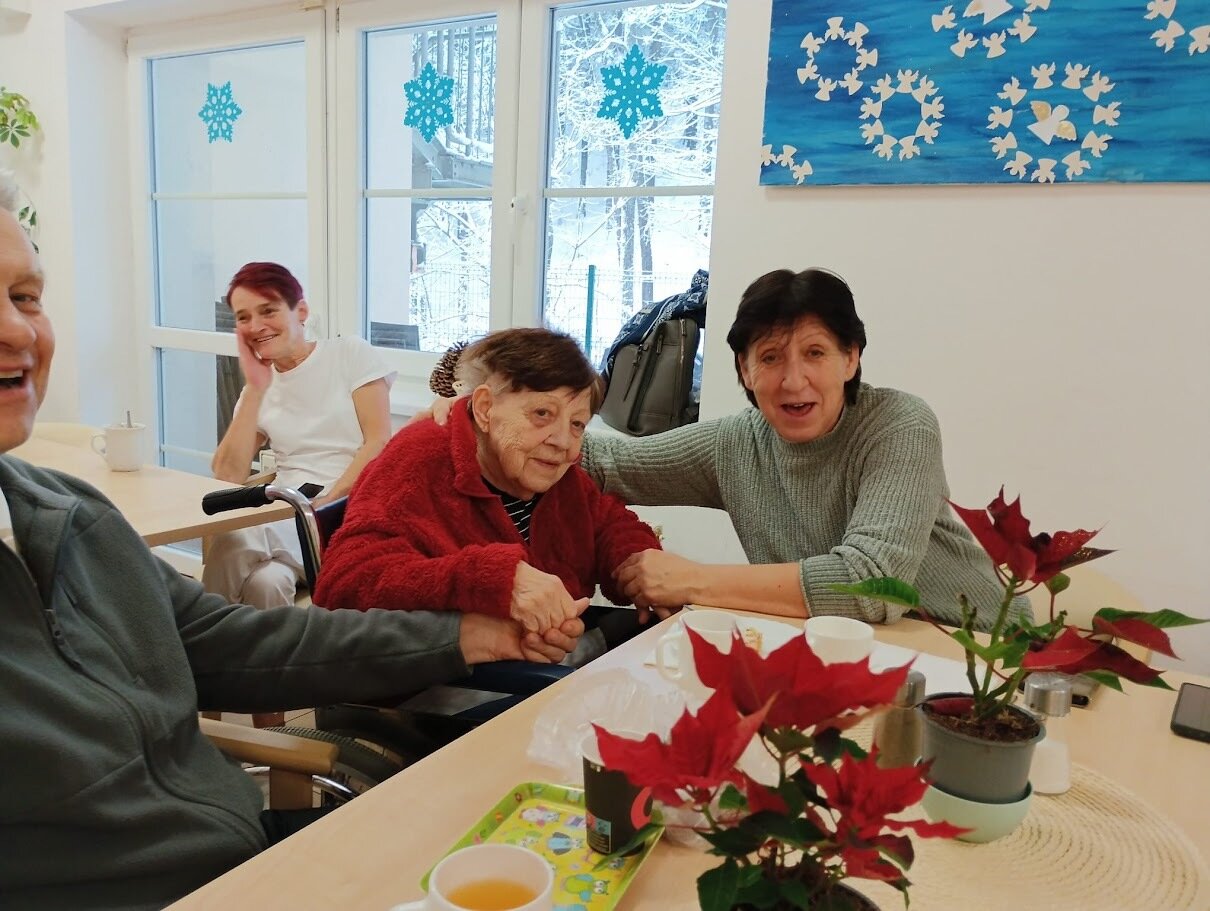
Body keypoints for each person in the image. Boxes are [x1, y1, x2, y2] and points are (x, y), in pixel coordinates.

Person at [0, 179, 582, 910]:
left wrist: (468, 634)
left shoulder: (68, 511)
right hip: (175, 884)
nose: (18, 330)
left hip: (243, 846)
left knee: (518, 854)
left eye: (26, 296)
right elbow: (234, 475)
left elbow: (229, 642)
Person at [583, 268, 1029, 629]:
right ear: (745, 369)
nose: (794, 380)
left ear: (850, 358)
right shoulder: (734, 444)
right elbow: (602, 463)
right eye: (771, 357)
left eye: (815, 353)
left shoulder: (899, 423)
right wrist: (543, 405)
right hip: (843, 652)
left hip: (981, 651)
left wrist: (691, 580)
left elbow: (872, 584)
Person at [314, 328, 671, 658]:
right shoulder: (419, 458)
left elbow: (606, 522)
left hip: (547, 664)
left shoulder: (554, 474)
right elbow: (343, 585)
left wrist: (636, 563)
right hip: (448, 681)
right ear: (485, 408)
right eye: (542, 413)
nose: (563, 441)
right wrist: (493, 580)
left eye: (577, 424)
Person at [202, 261, 393, 613]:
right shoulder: (258, 388)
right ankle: (274, 651)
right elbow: (227, 476)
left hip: (345, 511)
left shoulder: (349, 354)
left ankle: (196, 636)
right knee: (266, 583)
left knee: (234, 540)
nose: (255, 326)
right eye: (243, 318)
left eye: (268, 311)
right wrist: (255, 388)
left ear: (300, 311)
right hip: (288, 513)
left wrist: (322, 507)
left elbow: (378, 442)